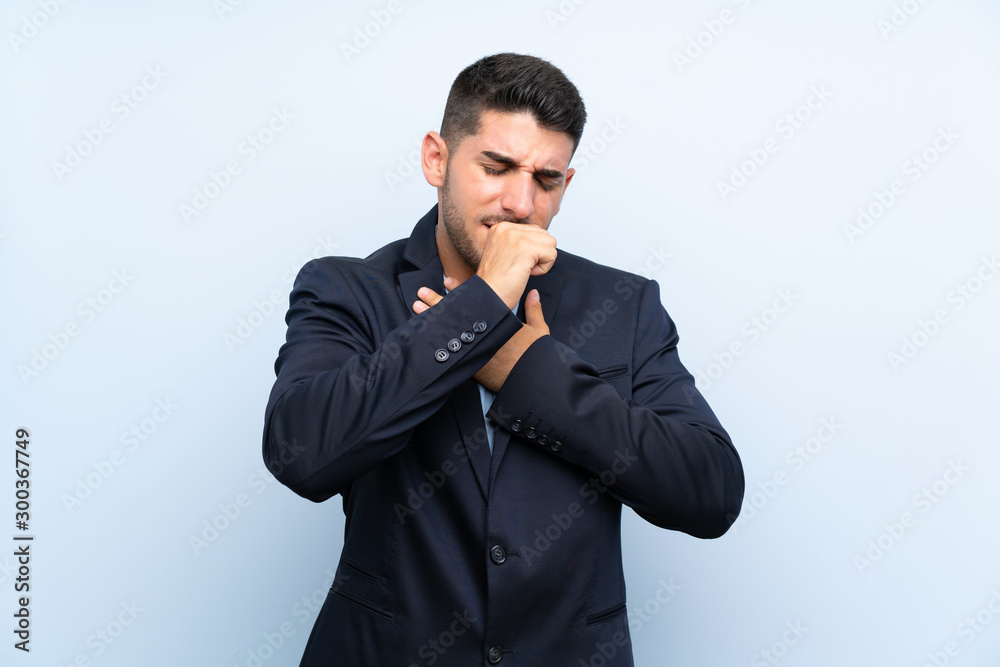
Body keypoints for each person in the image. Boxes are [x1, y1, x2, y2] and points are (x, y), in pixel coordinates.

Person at [262, 52, 744, 666]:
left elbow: (710, 491)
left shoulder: (624, 304)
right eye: (496, 168)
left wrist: (527, 370)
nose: (520, 202)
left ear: (565, 187)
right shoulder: (346, 289)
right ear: (436, 160)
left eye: (546, 179)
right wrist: (478, 310)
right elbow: (301, 453)